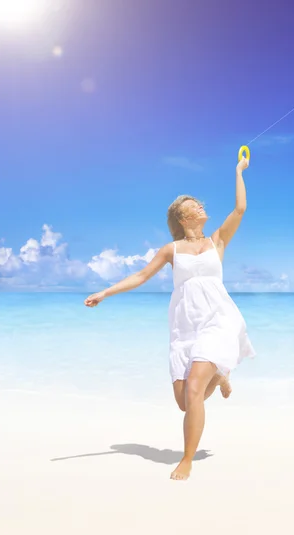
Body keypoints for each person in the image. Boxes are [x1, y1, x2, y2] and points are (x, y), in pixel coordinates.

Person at [84, 157, 255, 480]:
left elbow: (240, 209)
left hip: (217, 320)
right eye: (195, 204)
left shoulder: (216, 241)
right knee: (184, 402)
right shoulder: (171, 250)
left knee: (193, 390)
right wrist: (106, 292)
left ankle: (186, 459)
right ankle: (220, 374)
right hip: (184, 326)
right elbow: (140, 275)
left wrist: (238, 172)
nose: (202, 206)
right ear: (182, 215)